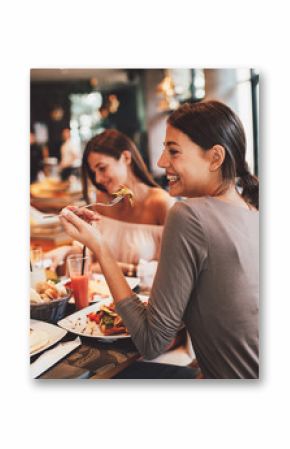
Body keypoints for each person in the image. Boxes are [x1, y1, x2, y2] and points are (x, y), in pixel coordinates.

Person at [60, 100, 259, 379]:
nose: (160, 162)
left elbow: (151, 342)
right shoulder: (253, 210)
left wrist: (100, 247)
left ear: (215, 158)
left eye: (173, 151)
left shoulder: (188, 215)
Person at [47, 129, 174, 279]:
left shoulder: (161, 203)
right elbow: (94, 250)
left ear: (126, 158)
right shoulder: (102, 199)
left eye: (102, 168)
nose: (98, 179)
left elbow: (175, 271)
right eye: (94, 172)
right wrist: (68, 251)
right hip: (103, 298)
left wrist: (124, 269)